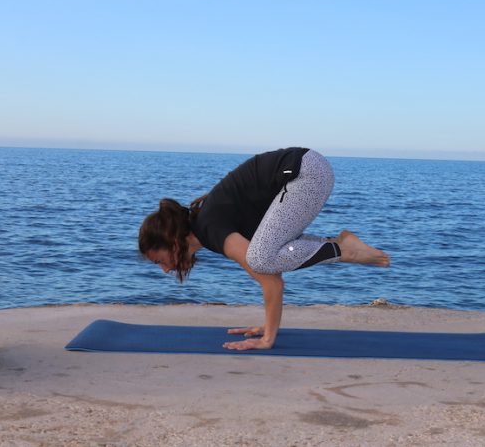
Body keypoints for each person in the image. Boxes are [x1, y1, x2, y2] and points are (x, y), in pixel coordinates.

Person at [138, 147, 390, 351]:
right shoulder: (209, 228)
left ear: (172, 243)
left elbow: (271, 282)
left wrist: (267, 339)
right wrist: (267, 325)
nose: (165, 269)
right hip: (306, 169)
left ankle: (342, 248)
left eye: (160, 260)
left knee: (260, 257)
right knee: (266, 255)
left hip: (304, 172)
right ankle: (340, 245)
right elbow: (272, 276)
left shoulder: (211, 230)